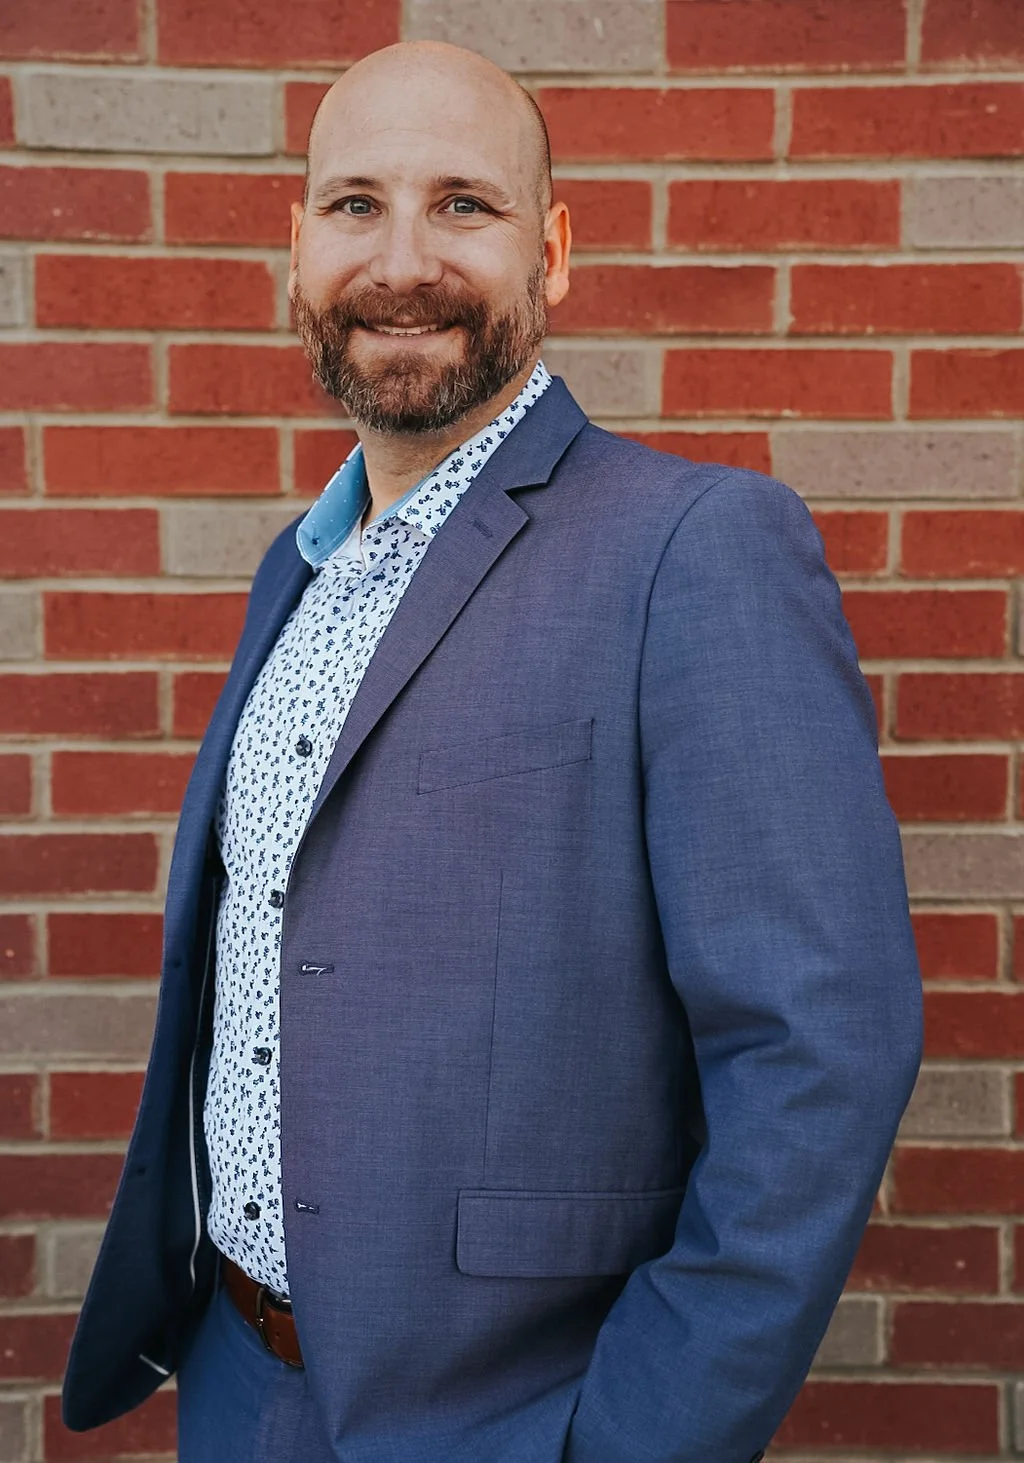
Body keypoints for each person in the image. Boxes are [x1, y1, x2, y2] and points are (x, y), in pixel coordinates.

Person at [61, 39, 922, 1463]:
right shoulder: (301, 568)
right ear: (297, 252)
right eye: (354, 207)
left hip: (517, 1418)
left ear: (554, 252)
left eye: (465, 203)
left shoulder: (694, 550)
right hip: (237, 1384)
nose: (403, 260)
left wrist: (635, 1439)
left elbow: (820, 1049)